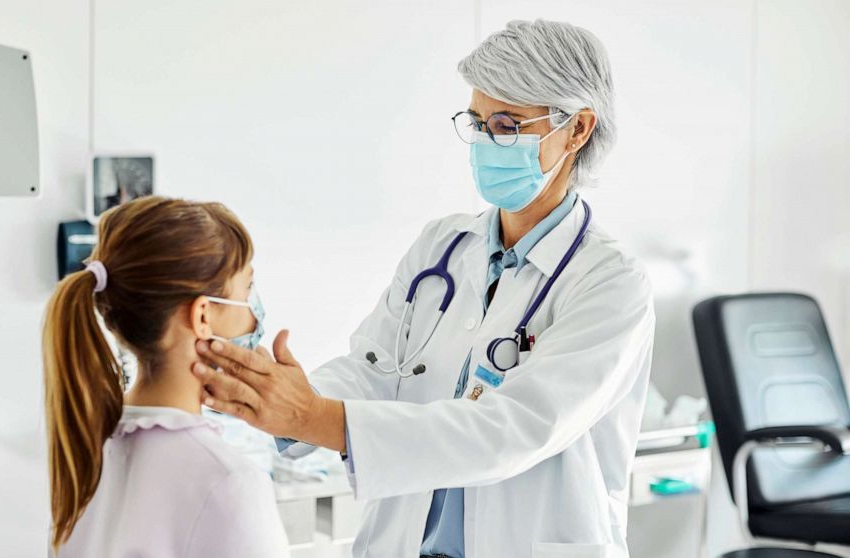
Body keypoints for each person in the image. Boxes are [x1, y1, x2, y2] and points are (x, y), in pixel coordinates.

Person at [192, 19, 655, 558]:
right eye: (477, 122)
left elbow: (513, 429)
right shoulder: (442, 246)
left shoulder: (610, 282)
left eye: (507, 125)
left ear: (576, 130)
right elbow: (373, 368)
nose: (485, 141)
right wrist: (292, 399)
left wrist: (317, 418)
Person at [42, 196, 289, 557]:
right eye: (248, 289)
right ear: (203, 316)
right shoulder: (228, 481)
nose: (255, 314)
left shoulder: (84, 455)